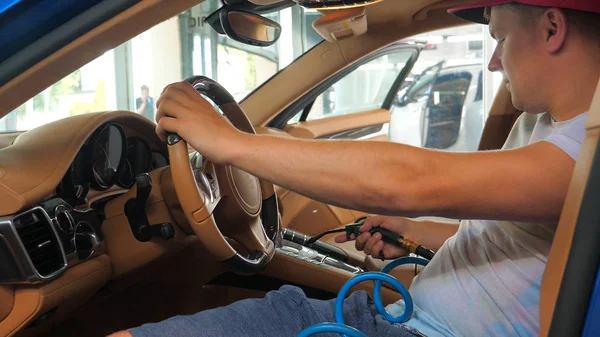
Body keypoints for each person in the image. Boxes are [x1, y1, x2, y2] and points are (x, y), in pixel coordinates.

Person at [111, 1, 600, 336]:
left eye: (499, 38)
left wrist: (231, 144)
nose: (494, 62)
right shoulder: (547, 124)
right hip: (391, 316)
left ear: (552, 29)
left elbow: (410, 180)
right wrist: (415, 231)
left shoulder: (590, 150)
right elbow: (517, 237)